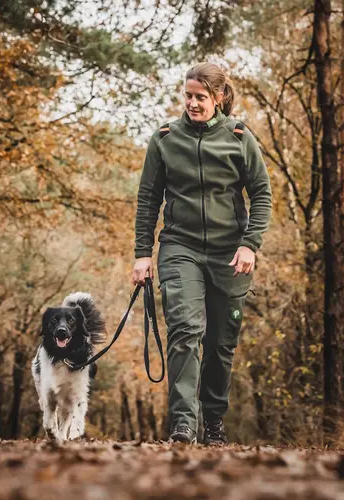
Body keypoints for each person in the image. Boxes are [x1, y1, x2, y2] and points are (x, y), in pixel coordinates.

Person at [131, 62, 272, 445]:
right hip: (180, 247)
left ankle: (213, 423)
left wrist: (250, 244)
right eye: (188, 96)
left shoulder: (240, 138)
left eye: (201, 97)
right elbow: (148, 199)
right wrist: (143, 253)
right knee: (185, 331)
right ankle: (182, 423)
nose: (192, 103)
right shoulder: (164, 138)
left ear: (219, 97)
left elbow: (261, 194)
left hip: (231, 253)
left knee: (220, 344)